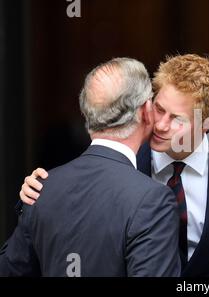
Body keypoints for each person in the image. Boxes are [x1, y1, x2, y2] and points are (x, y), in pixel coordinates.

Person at [19, 54, 209, 276]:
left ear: (208, 125)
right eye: (159, 109)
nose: (161, 125)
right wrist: (38, 192)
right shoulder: (123, 158)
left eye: (177, 119)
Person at [1, 58, 180, 276]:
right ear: (144, 111)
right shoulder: (153, 200)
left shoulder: (41, 189)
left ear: (87, 113)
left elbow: (10, 269)